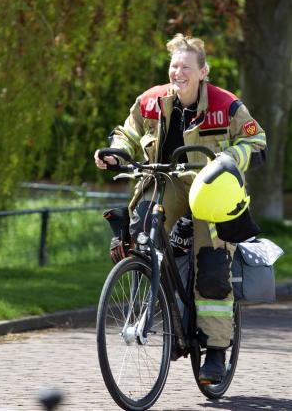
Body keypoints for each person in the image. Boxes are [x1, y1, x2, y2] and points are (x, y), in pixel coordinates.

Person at [94, 33, 267, 384]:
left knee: (212, 264)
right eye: (174, 66)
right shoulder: (151, 102)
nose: (178, 73)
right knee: (141, 234)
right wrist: (116, 151)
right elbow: (127, 132)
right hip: (167, 179)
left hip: (211, 185)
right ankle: (167, 316)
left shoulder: (226, 104)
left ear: (203, 71)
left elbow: (256, 140)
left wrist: (231, 158)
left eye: (186, 67)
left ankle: (215, 352)